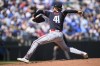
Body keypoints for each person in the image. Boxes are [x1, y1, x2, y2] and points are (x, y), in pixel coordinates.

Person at [17, 3, 88, 63]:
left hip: (53, 34)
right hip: (60, 35)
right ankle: (83, 53)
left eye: (54, 7)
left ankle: (26, 58)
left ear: (56, 8)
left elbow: (40, 11)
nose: (53, 8)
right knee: (66, 49)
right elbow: (67, 11)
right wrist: (77, 11)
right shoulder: (62, 14)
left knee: (36, 42)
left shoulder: (50, 14)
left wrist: (35, 15)